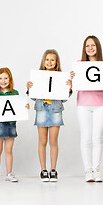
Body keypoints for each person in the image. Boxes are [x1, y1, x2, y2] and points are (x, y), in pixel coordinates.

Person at [70, 35, 103, 182]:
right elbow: (73, 86)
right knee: (85, 138)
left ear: (98, 47)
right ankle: (87, 171)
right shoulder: (79, 64)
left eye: (93, 45)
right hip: (83, 104)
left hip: (100, 104)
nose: (90, 48)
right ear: (84, 49)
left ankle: (96, 169)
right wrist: (72, 78)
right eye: (87, 46)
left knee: (97, 138)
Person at [26, 49, 72, 182]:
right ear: (43, 61)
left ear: (56, 62)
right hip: (41, 109)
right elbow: (34, 97)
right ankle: (43, 170)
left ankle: (53, 169)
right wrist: (30, 89)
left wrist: (68, 89)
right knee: (42, 141)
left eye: (52, 60)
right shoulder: (38, 76)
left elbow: (64, 99)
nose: (49, 62)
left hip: (55, 109)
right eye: (47, 59)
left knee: (53, 141)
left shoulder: (61, 77)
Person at [0, 68, 29, 183]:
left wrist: (24, 107)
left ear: (10, 79)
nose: (3, 81)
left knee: (8, 150)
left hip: (11, 125)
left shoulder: (15, 93)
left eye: (5, 78)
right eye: (0, 78)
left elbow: (18, 107)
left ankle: (9, 173)